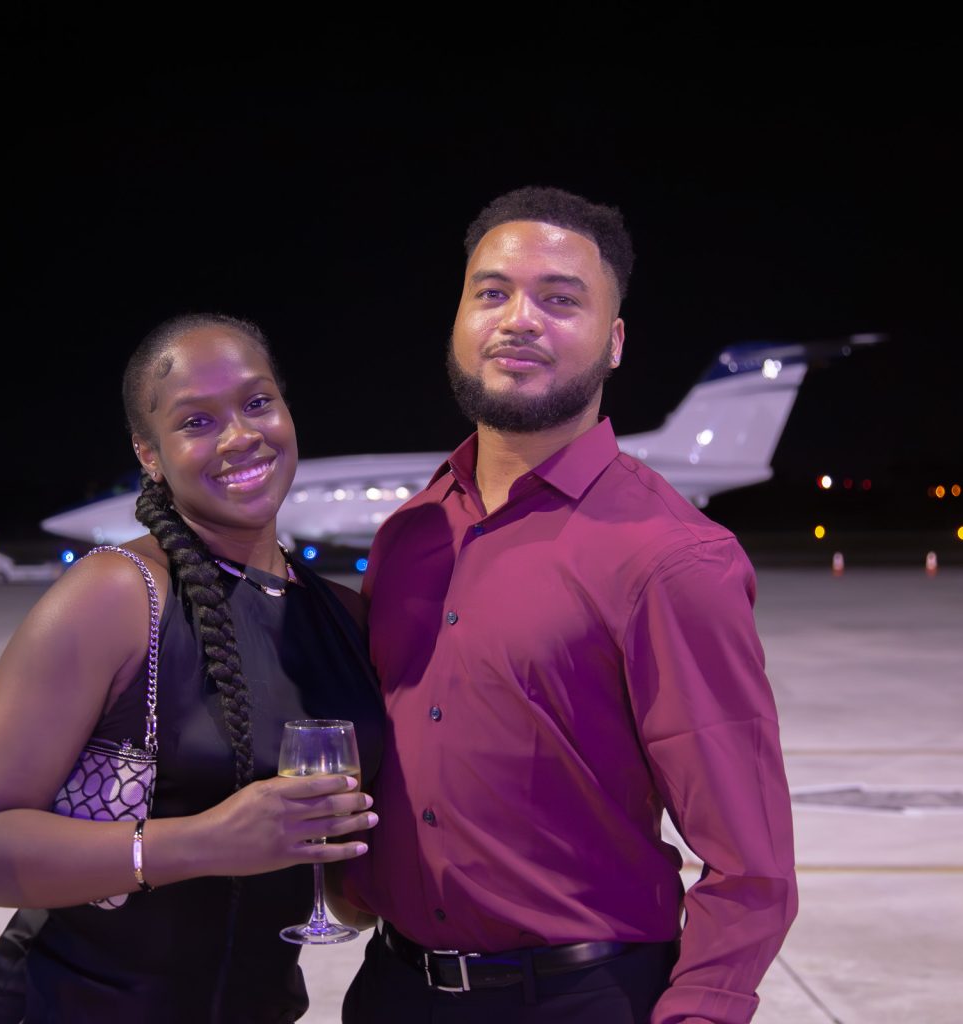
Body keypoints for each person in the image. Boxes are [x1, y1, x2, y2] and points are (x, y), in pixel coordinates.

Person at [341, 187, 797, 1023]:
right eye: (492, 293)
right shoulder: (409, 535)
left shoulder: (670, 556)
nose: (519, 320)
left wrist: (702, 1009)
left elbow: (752, 864)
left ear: (614, 342)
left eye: (560, 300)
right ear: (459, 322)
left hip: (577, 995)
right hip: (394, 987)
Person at [0, 313, 384, 1023]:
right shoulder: (117, 595)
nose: (240, 436)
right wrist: (206, 843)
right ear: (149, 452)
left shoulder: (342, 616)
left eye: (258, 402)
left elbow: (350, 882)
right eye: (197, 421)